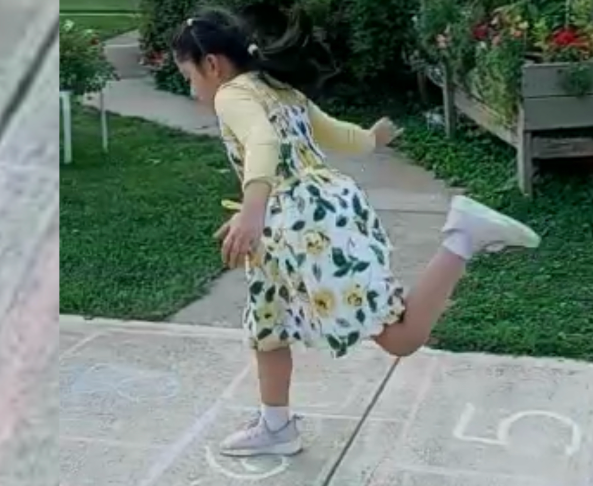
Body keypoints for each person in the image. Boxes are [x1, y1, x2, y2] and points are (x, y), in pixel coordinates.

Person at [171, 8, 541, 457]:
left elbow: (263, 143)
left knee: (400, 337)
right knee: (266, 324)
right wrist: (372, 138)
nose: (191, 90)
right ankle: (276, 426)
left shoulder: (233, 95)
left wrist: (253, 209)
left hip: (305, 223)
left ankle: (463, 236)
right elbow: (339, 135)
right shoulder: (281, 91)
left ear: (212, 64)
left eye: (188, 75)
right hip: (300, 220)